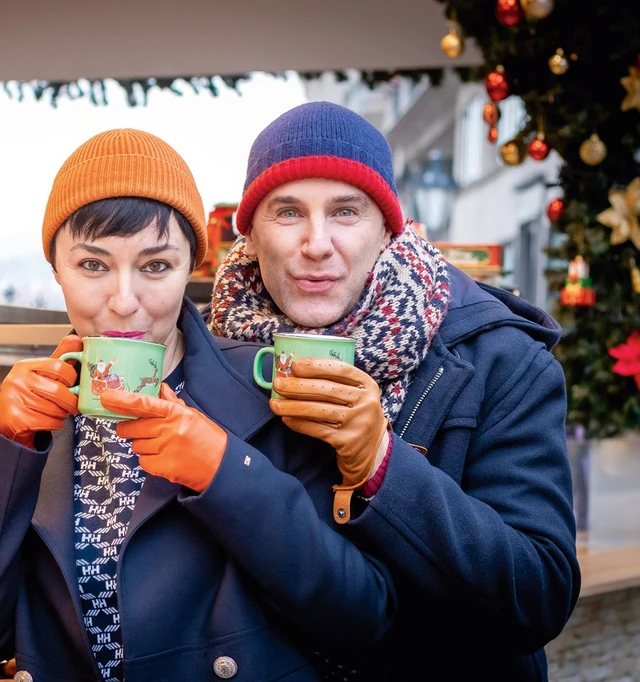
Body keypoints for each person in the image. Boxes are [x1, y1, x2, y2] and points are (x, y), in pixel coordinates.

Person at [0, 129, 398, 681]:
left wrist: (223, 470)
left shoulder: (270, 390)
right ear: (55, 268)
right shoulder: (37, 416)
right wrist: (3, 446)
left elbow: (362, 618)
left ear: (191, 267)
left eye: (155, 266)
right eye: (93, 266)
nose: (124, 302)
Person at [208, 101, 580, 679]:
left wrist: (381, 464)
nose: (316, 243)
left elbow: (537, 595)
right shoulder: (209, 358)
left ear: (387, 229)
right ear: (251, 234)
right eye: (287, 212)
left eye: (346, 212)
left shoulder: (502, 361)